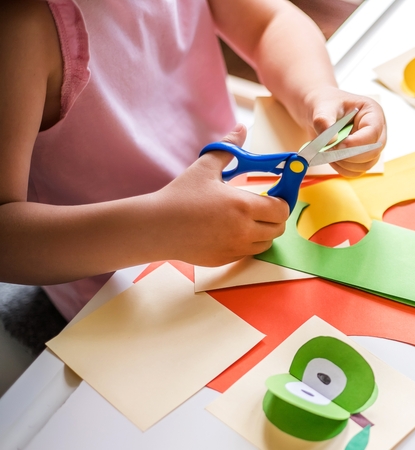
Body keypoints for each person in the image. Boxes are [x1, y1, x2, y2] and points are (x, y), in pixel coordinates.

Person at [0, 0, 387, 320]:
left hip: (237, 201)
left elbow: (270, 22)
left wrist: (316, 93)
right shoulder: (18, 30)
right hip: (123, 293)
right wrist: (160, 227)